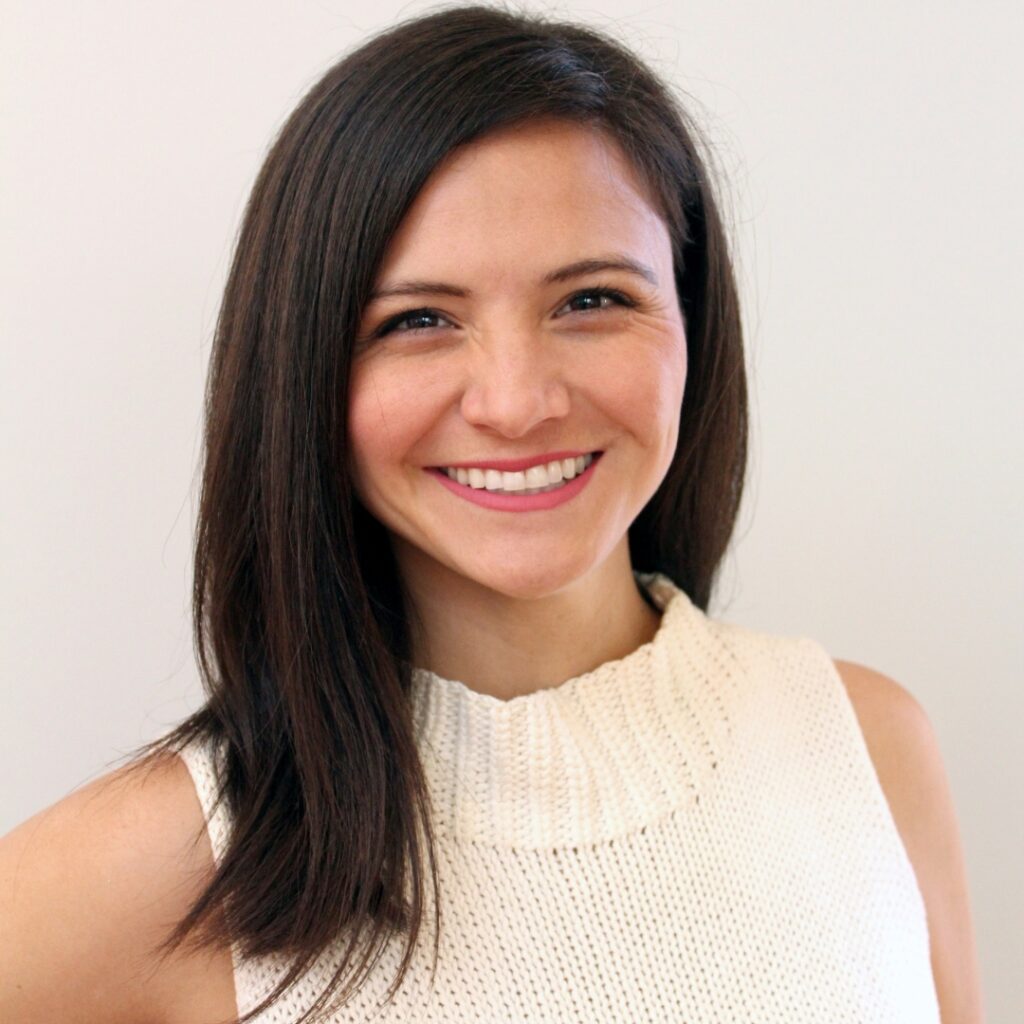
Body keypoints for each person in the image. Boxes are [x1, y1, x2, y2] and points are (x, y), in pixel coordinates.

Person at [0, 4, 984, 1023]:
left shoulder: (867, 747)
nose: (516, 402)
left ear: (690, 323)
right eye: (417, 321)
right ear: (301, 372)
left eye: (592, 300)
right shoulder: (169, 864)